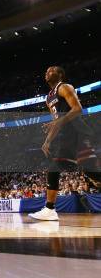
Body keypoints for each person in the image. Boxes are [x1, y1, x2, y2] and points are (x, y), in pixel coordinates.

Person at [29, 66, 99, 221]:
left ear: (60, 74)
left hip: (78, 132)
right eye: (46, 70)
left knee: (90, 172)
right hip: (66, 136)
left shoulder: (64, 87)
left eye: (52, 69)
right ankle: (49, 210)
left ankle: (49, 209)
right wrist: (47, 140)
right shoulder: (48, 98)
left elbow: (77, 109)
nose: (48, 71)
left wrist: (59, 122)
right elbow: (56, 122)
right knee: (54, 168)